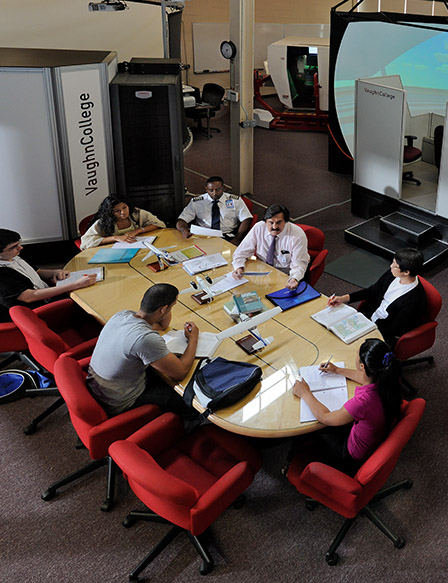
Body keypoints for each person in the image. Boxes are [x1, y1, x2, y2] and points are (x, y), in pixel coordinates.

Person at [292, 338, 402, 475]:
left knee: (312, 428)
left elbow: (326, 417)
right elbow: (363, 377)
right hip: (373, 436)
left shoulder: (363, 401)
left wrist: (305, 393)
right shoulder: (386, 378)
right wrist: (337, 370)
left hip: (350, 454)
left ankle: (294, 463)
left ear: (362, 366)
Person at [86, 283, 199, 417]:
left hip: (100, 389)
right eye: (172, 307)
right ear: (163, 310)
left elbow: (161, 325)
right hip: (120, 401)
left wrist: (166, 305)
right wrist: (193, 339)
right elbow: (180, 372)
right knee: (190, 400)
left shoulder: (122, 315)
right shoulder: (144, 339)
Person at [327, 248, 426, 347]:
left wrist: (367, 333)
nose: (390, 266)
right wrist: (344, 298)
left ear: (406, 272)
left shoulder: (415, 299)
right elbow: (372, 291)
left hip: (382, 331)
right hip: (369, 318)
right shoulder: (393, 275)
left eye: (394, 265)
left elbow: (396, 328)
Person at [0, 229, 97, 322]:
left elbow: (37, 272)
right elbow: (28, 296)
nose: (20, 247)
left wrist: (55, 272)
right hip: (40, 309)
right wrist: (76, 284)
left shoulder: (13, 256)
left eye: (19, 243)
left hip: (48, 294)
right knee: (89, 302)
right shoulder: (2, 274)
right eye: (13, 247)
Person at [232, 204, 309, 289]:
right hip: (262, 270)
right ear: (265, 222)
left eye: (279, 222)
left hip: (284, 274)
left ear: (286, 221)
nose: (274, 227)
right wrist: (238, 267)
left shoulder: (297, 235)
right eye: (271, 223)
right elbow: (241, 252)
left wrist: (294, 278)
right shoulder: (259, 227)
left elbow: (299, 264)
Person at [176, 176, 253, 245]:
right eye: (211, 190)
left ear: (224, 188)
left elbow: (246, 219)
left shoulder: (235, 200)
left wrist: (237, 239)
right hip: (203, 237)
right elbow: (181, 220)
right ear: (206, 189)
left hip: (227, 236)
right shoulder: (197, 202)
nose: (214, 193)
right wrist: (184, 230)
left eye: (218, 189)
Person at [80, 194, 166, 250]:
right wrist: (116, 238)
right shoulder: (103, 222)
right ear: (110, 213)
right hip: (113, 252)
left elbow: (158, 224)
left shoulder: (136, 213)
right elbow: (85, 242)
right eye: (117, 211)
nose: (123, 213)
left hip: (138, 249)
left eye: (125, 207)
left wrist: (138, 231)